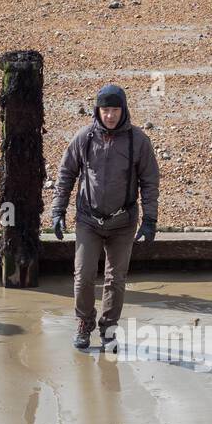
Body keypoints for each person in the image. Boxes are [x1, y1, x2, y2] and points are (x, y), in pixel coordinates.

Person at [49, 84, 160, 352]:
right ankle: (84, 324)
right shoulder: (84, 138)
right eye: (105, 110)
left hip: (123, 222)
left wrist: (150, 220)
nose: (110, 115)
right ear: (97, 111)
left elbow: (150, 181)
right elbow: (66, 175)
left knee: (115, 279)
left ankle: (109, 329)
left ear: (124, 111)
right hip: (88, 220)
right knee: (83, 276)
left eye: (115, 110)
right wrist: (57, 211)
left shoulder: (138, 141)